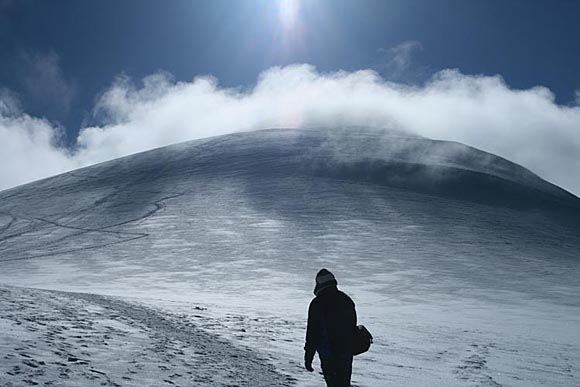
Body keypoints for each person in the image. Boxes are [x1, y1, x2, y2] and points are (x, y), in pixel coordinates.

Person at [304, 268, 357, 387]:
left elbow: (312, 333)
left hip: (328, 352)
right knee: (344, 383)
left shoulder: (317, 303)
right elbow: (352, 326)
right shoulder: (346, 300)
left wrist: (309, 356)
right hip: (345, 352)